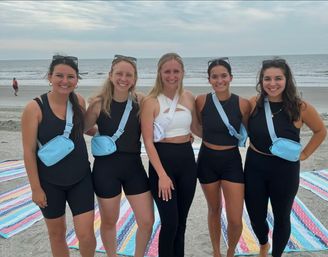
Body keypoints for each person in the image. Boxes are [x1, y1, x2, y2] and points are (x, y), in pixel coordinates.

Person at [244, 58, 327, 257]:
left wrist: (305, 154)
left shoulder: (300, 107)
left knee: (282, 217)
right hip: (255, 165)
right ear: (261, 81)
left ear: (287, 79)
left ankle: (276, 254)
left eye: (278, 78)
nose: (272, 83)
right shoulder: (253, 103)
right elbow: (238, 128)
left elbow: (320, 131)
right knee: (255, 216)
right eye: (267, 79)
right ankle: (264, 243)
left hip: (285, 170)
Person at [21, 55, 96, 257]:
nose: (65, 81)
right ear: (49, 77)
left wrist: (111, 131)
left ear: (77, 80)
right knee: (57, 234)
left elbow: (84, 129)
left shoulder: (78, 101)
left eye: (70, 76)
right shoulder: (34, 108)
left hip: (81, 178)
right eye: (59, 75)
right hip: (49, 182)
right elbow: (28, 151)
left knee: (86, 234)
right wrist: (35, 189)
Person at [84, 55, 154, 257]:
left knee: (147, 221)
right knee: (109, 221)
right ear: (110, 76)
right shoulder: (99, 103)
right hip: (106, 169)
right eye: (119, 74)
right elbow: (84, 128)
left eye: (128, 75)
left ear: (135, 78)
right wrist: (100, 134)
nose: (124, 78)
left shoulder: (141, 102)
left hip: (134, 167)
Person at [140, 52, 201, 257]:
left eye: (176, 71)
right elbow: (148, 141)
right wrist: (162, 175)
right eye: (167, 71)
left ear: (183, 72)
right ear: (160, 73)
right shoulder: (150, 101)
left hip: (186, 160)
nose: (172, 75)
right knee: (170, 223)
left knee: (181, 222)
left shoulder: (189, 97)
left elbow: (196, 129)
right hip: (162, 162)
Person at [195, 58, 250, 257]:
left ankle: (231, 251)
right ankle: (216, 251)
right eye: (214, 76)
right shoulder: (201, 100)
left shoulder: (243, 104)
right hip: (207, 160)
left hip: (231, 161)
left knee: (235, 218)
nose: (219, 80)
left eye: (223, 76)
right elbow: (197, 126)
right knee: (214, 209)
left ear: (231, 77)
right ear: (209, 79)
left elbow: (251, 130)